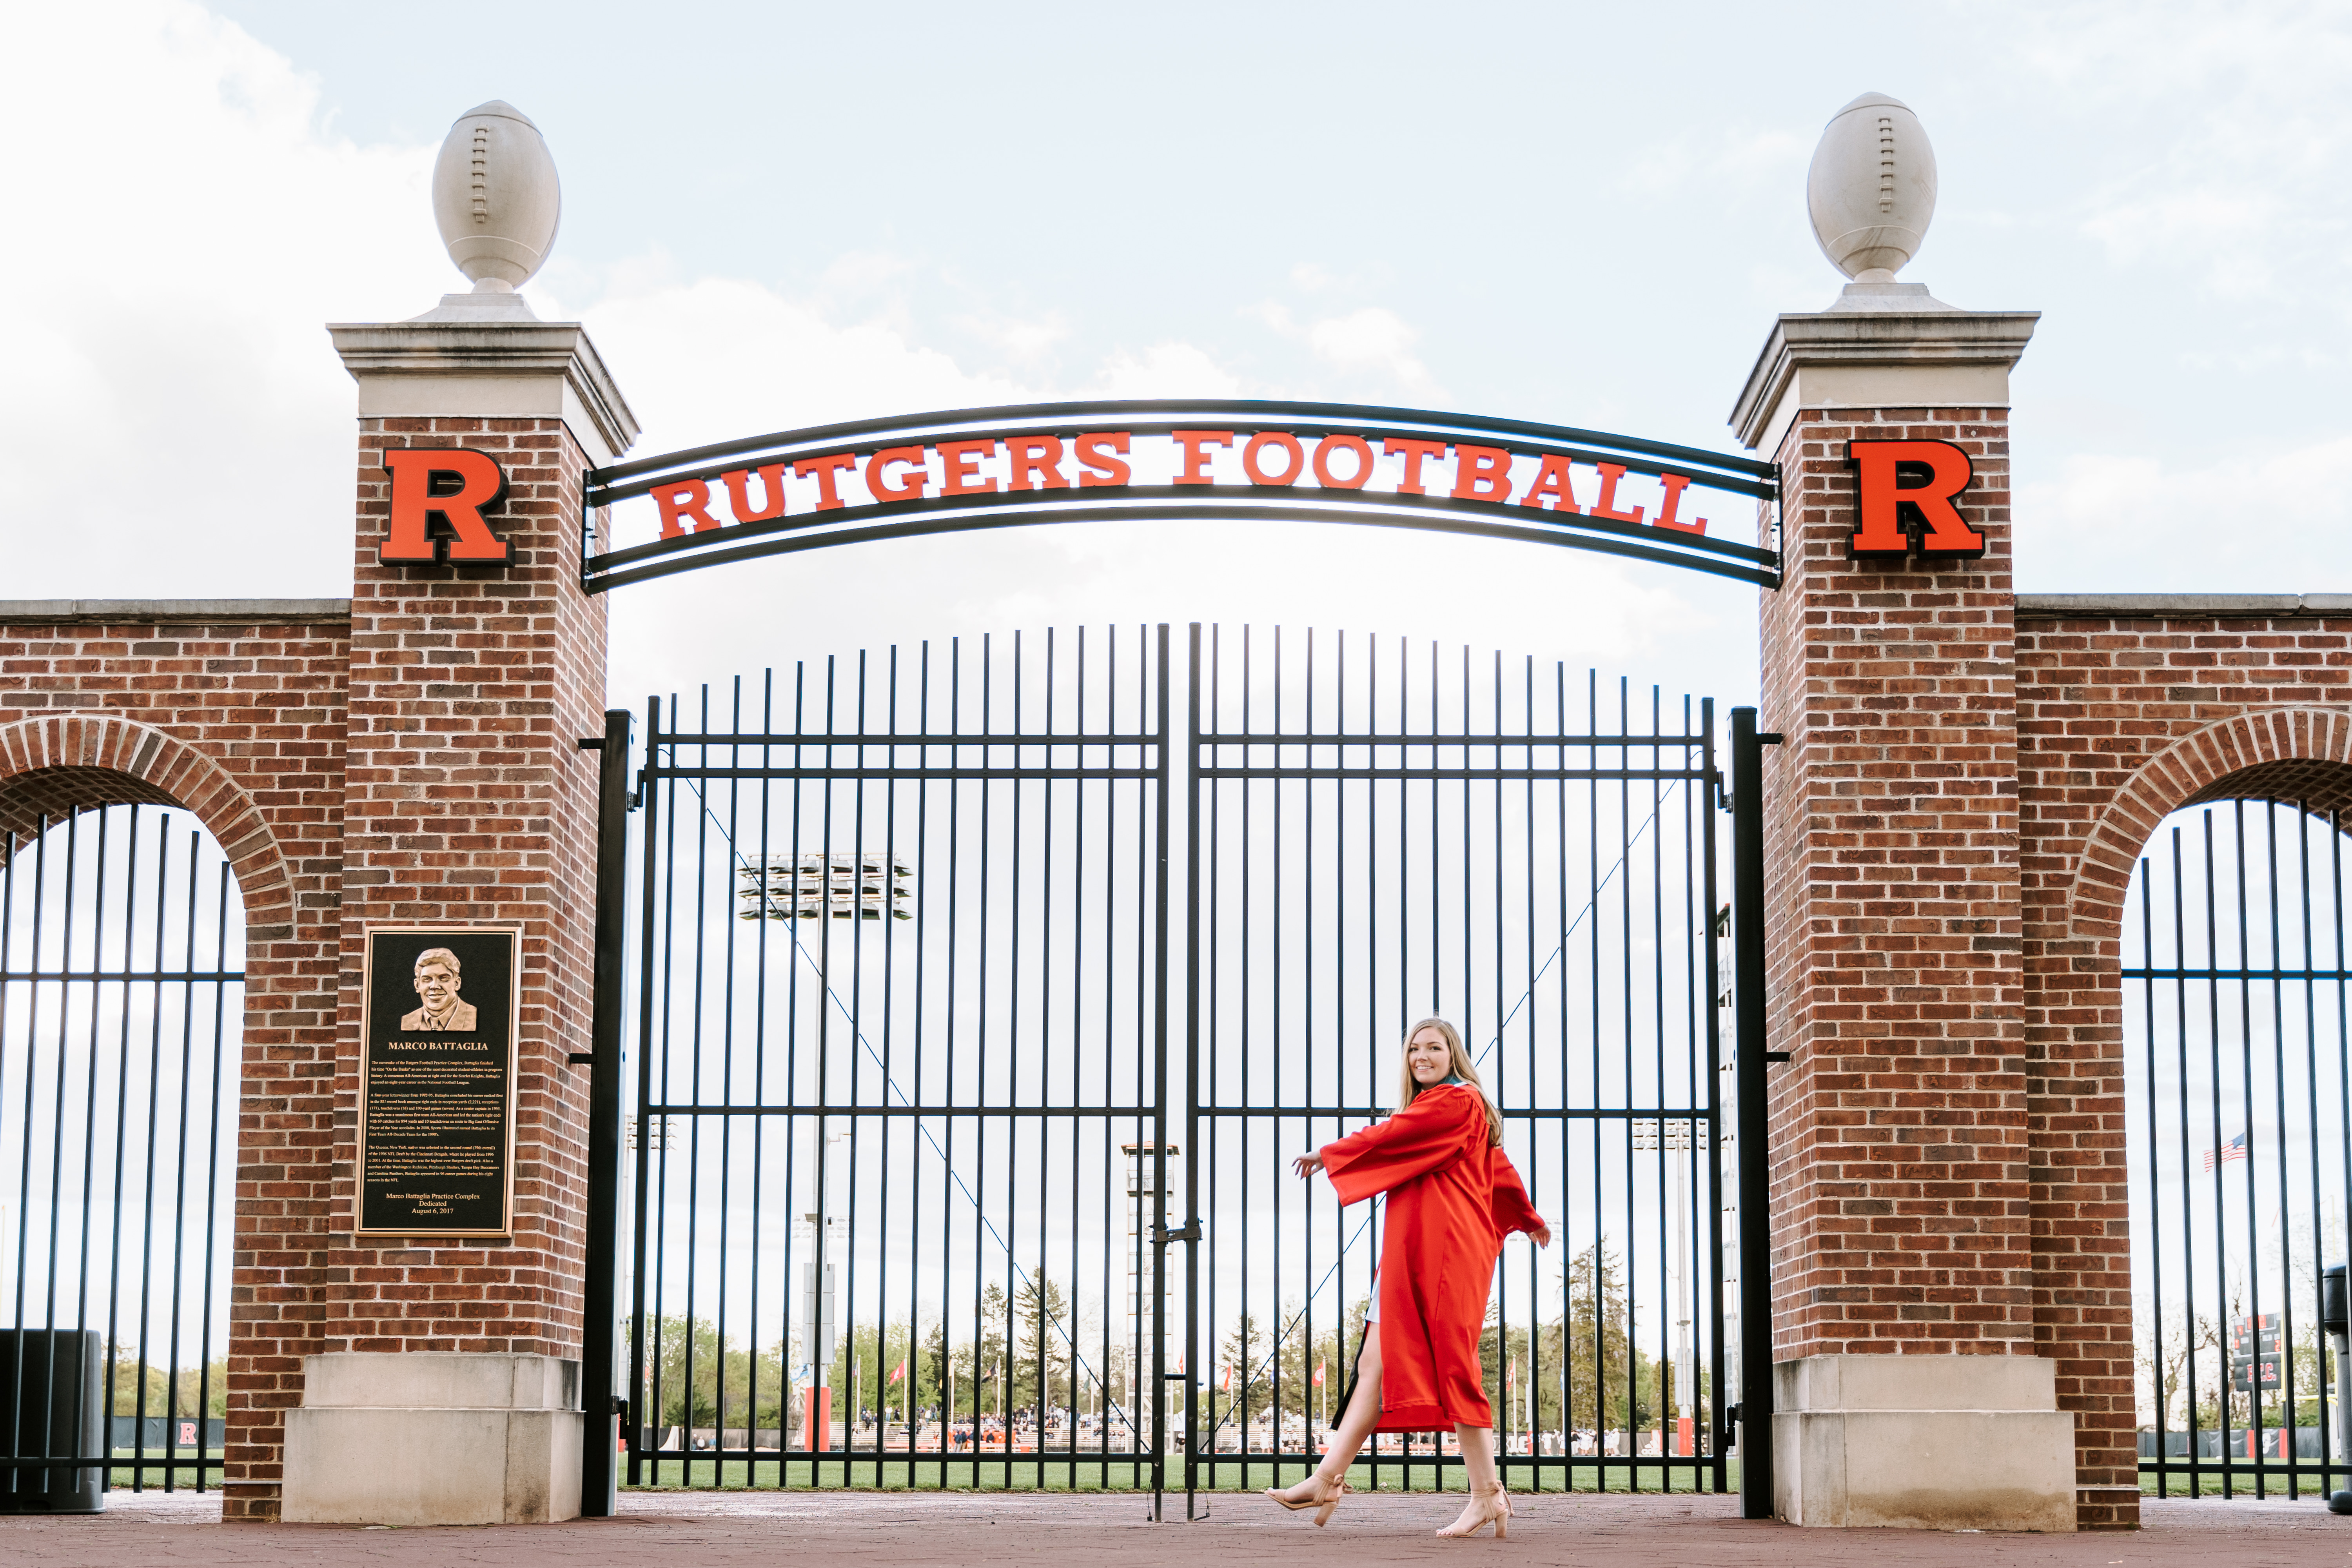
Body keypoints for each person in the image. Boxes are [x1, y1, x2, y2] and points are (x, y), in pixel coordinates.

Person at [1266, 1017, 1549, 1539]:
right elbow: (1498, 1169)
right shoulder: (1443, 1106)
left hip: (1441, 1256)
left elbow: (1398, 1136)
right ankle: (1327, 1479)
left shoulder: (1458, 1102)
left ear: (1453, 1054)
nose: (1422, 1056)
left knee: (1455, 1366)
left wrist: (1329, 1155)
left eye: (1434, 1048)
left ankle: (1487, 1495)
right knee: (1374, 1364)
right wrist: (1526, 1215)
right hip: (1411, 1249)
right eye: (1415, 1049)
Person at [399, 947, 478, 1031]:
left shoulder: (473, 1016)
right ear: (417, 985)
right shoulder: (407, 1021)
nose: (434, 986)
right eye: (427, 979)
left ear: (457, 984)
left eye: (443, 978)